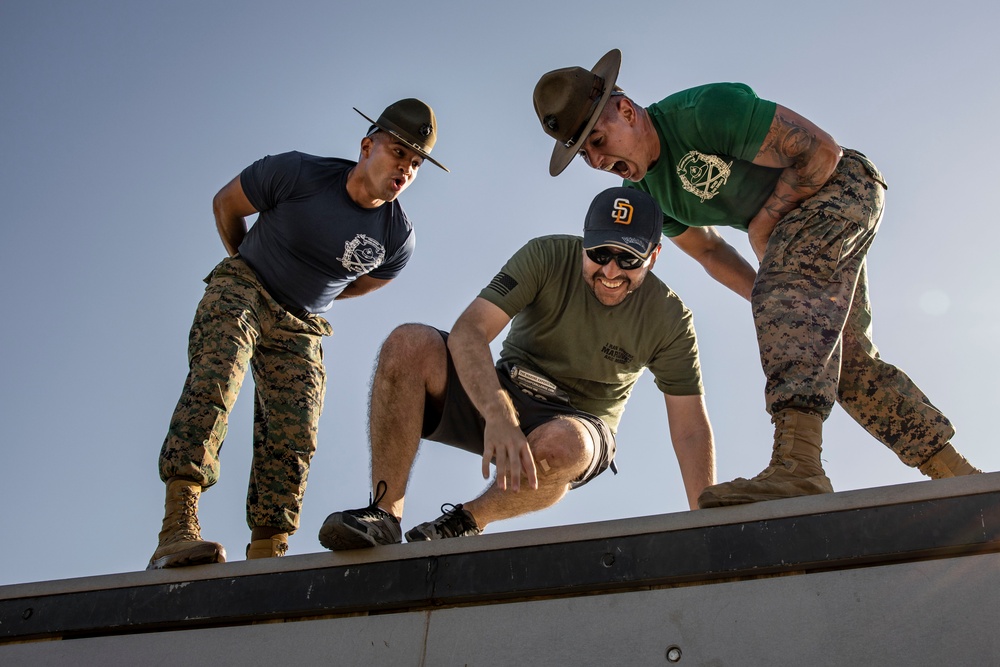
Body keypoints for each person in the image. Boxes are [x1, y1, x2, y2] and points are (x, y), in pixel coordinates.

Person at [532, 49, 983, 509]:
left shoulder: (702, 113)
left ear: (626, 111)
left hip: (842, 185)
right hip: (794, 241)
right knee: (844, 360)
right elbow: (708, 250)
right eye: (584, 153)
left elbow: (822, 152)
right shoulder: (643, 193)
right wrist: (774, 303)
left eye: (598, 140)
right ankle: (962, 478)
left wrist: (764, 231)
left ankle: (798, 468)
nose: (596, 160)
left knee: (793, 315)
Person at [317, 186, 715, 550]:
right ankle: (384, 514)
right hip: (505, 388)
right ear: (583, 243)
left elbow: (691, 428)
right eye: (599, 255)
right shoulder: (545, 256)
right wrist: (497, 412)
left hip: (579, 422)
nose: (610, 272)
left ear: (654, 254)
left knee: (563, 445)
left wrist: (708, 526)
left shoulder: (670, 318)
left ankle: (467, 520)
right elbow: (469, 331)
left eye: (628, 259)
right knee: (408, 343)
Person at [148, 99, 449, 569]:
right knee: (217, 377)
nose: (406, 169)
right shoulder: (297, 173)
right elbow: (226, 204)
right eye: (398, 153)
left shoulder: (396, 237)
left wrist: (309, 299)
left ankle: (268, 556)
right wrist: (248, 266)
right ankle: (178, 529)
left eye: (415, 163)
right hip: (245, 286)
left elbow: (366, 282)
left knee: (296, 428)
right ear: (367, 146)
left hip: (301, 322)